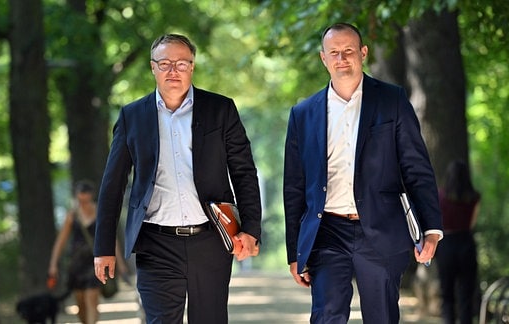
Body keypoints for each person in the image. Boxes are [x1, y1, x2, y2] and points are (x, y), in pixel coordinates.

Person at [92, 34, 262, 324]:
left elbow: (244, 172)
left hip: (211, 240)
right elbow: (113, 184)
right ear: (153, 67)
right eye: (165, 63)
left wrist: (251, 228)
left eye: (182, 64)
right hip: (155, 243)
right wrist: (104, 247)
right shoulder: (132, 116)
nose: (174, 71)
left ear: (192, 67)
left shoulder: (220, 110)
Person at [283, 22, 444, 323]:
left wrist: (431, 229)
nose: (341, 58)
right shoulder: (303, 114)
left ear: (363, 53)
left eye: (348, 51)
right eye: (334, 53)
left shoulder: (392, 100)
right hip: (326, 231)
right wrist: (295, 250)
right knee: (327, 315)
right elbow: (294, 187)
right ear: (323, 58)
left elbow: (416, 169)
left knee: (381, 317)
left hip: (382, 230)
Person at [48, 180, 126, 324]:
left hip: (95, 261)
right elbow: (61, 241)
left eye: (85, 196)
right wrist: (53, 264)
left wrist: (119, 263)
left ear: (91, 195)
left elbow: (111, 239)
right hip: (76, 264)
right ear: (77, 196)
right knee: (80, 304)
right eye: (80, 197)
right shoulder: (72, 216)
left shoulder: (100, 213)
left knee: (92, 300)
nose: (82, 200)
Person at [435, 159, 480, 324]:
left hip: (446, 244)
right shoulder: (474, 197)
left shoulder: (440, 196)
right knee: (466, 293)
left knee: (447, 293)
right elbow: (472, 224)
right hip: (466, 243)